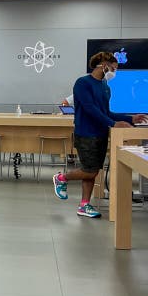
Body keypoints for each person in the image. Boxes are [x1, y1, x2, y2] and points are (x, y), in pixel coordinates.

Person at [52, 51, 147, 217]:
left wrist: (131, 118)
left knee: (92, 170)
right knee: (91, 171)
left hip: (101, 134)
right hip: (86, 133)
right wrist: (113, 123)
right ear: (103, 65)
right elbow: (90, 109)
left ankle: (84, 205)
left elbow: (106, 112)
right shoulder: (82, 83)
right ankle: (61, 178)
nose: (113, 73)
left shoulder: (105, 86)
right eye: (113, 69)